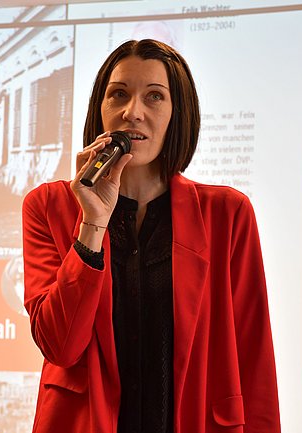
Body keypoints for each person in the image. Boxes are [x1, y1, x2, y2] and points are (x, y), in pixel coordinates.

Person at [21, 39, 280, 432]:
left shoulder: (228, 213)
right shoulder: (49, 206)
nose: (133, 112)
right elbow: (60, 345)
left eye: (154, 96)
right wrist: (93, 223)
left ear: (178, 113)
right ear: (100, 108)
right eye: (119, 94)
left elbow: (254, 357)